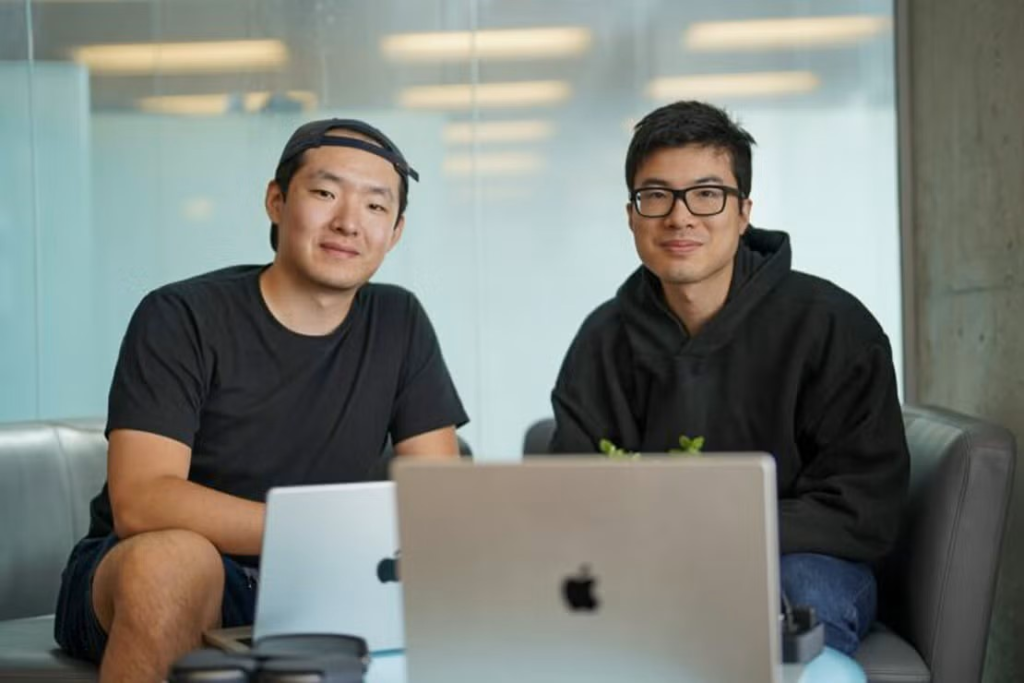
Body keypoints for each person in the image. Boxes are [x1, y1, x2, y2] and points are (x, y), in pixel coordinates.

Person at [53, 118, 468, 682]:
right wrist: (320, 534)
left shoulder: (399, 321)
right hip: (141, 573)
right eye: (325, 193)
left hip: (319, 581)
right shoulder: (181, 316)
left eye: (375, 207)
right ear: (276, 201)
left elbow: (437, 497)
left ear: (394, 232)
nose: (348, 222)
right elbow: (142, 502)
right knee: (177, 561)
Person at [549, 100, 909, 656]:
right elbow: (571, 497)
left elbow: (864, 510)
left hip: (798, 563)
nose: (680, 216)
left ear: (743, 212)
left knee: (802, 590)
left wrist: (712, 532)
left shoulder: (834, 327)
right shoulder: (602, 340)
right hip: (644, 561)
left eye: (707, 194)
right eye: (656, 196)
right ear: (631, 215)